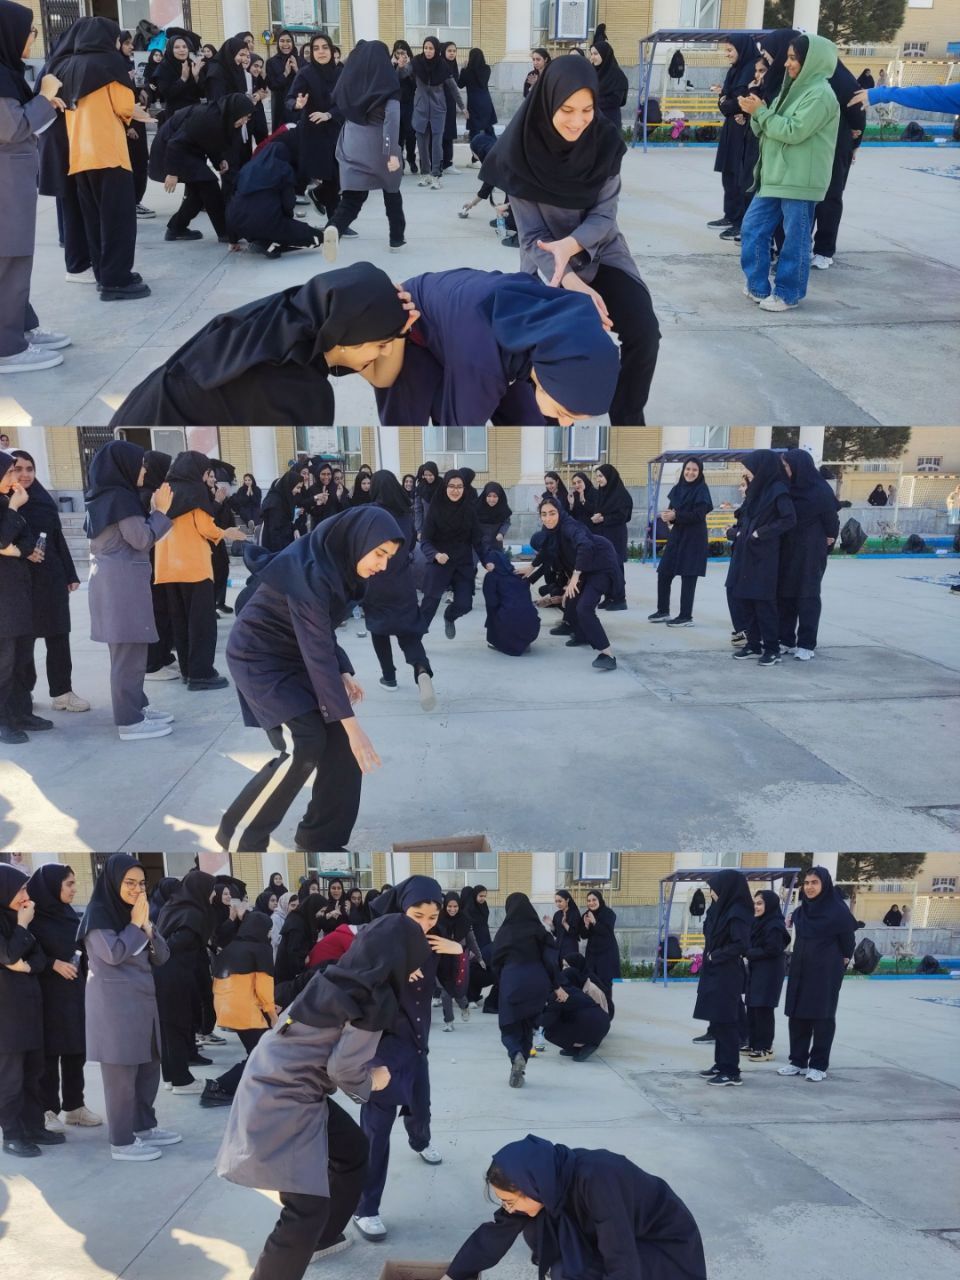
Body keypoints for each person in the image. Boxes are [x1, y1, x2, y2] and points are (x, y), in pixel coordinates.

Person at [217, 912, 431, 1278]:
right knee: (305, 1209)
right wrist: (373, 1081)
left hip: (274, 1075)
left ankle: (324, 1238)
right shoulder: (373, 999)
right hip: (287, 1094)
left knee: (353, 1150)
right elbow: (343, 1070)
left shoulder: (338, 975)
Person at [480, 55, 660, 425]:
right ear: (548, 101)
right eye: (566, 110)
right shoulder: (519, 150)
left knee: (644, 333)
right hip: (546, 260)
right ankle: (549, 419)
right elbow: (531, 236)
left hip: (601, 250)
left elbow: (605, 216)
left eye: (586, 110)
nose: (577, 121)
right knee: (552, 345)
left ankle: (628, 417)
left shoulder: (605, 142)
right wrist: (569, 278)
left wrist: (572, 245)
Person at [217, 507, 404, 854]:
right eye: (379, 554)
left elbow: (321, 631)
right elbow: (317, 653)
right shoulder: (312, 571)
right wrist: (353, 726)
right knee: (303, 744)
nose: (383, 565)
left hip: (297, 653)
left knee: (342, 749)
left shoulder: (341, 566)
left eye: (389, 558)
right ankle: (239, 837)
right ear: (359, 540)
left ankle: (320, 840)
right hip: (260, 657)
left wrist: (343, 669)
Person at [110, 264, 414, 426]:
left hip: (140, 409)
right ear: (345, 338)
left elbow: (382, 378)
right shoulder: (293, 390)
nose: (385, 352)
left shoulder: (302, 316)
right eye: (381, 344)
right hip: (156, 423)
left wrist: (399, 331)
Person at [353, 877, 460, 1241]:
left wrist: (457, 951)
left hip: (417, 1044)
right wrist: (394, 971)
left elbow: (459, 988)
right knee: (376, 1129)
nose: (425, 924)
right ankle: (365, 1207)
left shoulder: (433, 942)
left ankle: (420, 1141)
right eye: (417, 916)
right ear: (401, 910)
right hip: (381, 1047)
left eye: (433, 917)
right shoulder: (376, 938)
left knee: (420, 1106)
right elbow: (355, 986)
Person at [376, 268, 621, 426]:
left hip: (473, 328)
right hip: (413, 323)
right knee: (411, 425)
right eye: (566, 414)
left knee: (532, 424)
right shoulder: (483, 362)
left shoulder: (555, 326)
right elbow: (458, 427)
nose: (567, 423)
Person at [442, 1134, 707, 1280]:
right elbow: (495, 1233)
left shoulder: (599, 1179)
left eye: (509, 1201)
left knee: (569, 1271)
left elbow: (621, 1258)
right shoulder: (545, 1178)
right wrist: (452, 1277)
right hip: (616, 1234)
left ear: (530, 1188)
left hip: (658, 1245)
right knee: (539, 1229)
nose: (507, 1209)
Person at [78, 855, 181, 1160]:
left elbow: (162, 956)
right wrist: (136, 924)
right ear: (113, 882)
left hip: (143, 1004)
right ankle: (121, 1142)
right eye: (129, 883)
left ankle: (144, 1126)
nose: (137, 889)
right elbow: (114, 954)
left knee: (148, 1069)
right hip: (115, 1010)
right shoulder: (98, 916)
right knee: (121, 1078)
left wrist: (147, 927)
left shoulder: (136, 913)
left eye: (141, 884)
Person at [50, 16, 153, 300]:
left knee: (94, 220)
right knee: (118, 221)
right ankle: (116, 281)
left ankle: (103, 274)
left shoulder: (68, 65)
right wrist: (138, 113)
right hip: (109, 153)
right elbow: (123, 106)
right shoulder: (109, 63)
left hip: (80, 155)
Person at [738, 34, 840, 311]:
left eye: (794, 58)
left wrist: (761, 113)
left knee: (795, 240)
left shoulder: (820, 94)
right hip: (775, 176)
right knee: (752, 228)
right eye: (788, 57)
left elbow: (793, 131)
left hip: (800, 180)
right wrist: (756, 112)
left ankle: (788, 293)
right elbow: (767, 127)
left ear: (811, 61)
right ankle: (758, 286)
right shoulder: (791, 88)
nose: (787, 63)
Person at [84, 439, 177, 740]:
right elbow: (141, 539)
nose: (144, 471)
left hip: (113, 583)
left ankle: (137, 707)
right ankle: (130, 721)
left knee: (130, 652)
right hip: (122, 586)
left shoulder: (103, 496)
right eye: (141, 465)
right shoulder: (120, 499)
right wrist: (161, 512)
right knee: (128, 654)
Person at [0, 2, 73, 373]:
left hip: (12, 182)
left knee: (15, 257)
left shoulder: (7, 71)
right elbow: (11, 128)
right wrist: (44, 95)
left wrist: (43, 104)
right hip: (5, 186)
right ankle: (7, 347)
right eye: (30, 31)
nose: (32, 38)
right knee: (8, 258)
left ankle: (20, 328)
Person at [153, 450, 246, 689]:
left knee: (181, 623)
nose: (207, 477)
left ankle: (188, 671)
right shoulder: (196, 492)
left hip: (167, 568)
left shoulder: (163, 490)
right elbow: (206, 528)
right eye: (206, 472)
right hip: (194, 567)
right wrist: (227, 532)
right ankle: (201, 674)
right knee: (202, 624)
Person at [5, 451, 86, 716]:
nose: (25, 474)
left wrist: (70, 574)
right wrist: (24, 550)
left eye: (30, 469)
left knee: (58, 633)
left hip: (50, 577)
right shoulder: (7, 502)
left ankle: (62, 692)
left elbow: (56, 537)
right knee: (24, 641)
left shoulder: (41, 499)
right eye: (18, 469)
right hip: (21, 581)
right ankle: (22, 694)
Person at [25, 864, 102, 1129]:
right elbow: (25, 954)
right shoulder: (31, 918)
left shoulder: (69, 915)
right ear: (51, 886)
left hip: (73, 993)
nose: (74, 889)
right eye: (69, 884)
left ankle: (74, 1106)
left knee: (75, 1051)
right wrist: (52, 964)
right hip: (46, 995)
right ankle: (48, 1109)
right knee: (49, 1055)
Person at [0, 862, 60, 1157]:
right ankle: (12, 1135)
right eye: (20, 889)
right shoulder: (16, 922)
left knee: (34, 1073)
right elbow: (9, 953)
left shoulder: (18, 919)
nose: (26, 896)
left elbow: (38, 959)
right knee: (10, 1080)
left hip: (30, 1011)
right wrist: (22, 927)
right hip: (6, 1018)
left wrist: (23, 966)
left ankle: (34, 1127)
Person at [518, 497, 619, 671]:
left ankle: (608, 654)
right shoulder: (550, 530)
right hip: (584, 566)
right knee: (571, 600)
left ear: (559, 512)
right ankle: (581, 634)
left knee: (584, 608)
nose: (548, 518)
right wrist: (531, 567)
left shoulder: (570, 526)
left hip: (600, 564)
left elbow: (585, 545)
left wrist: (574, 577)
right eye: (544, 514)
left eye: (552, 513)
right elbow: (546, 550)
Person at [325, 39, 405, 254]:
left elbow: (338, 106)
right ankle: (396, 239)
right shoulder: (388, 85)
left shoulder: (349, 84)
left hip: (351, 144)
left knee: (352, 198)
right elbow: (392, 121)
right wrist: (391, 153)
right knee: (392, 192)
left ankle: (334, 228)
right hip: (379, 148)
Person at [365, 469, 435, 709]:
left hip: (376, 582)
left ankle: (389, 677)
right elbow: (411, 543)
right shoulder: (405, 514)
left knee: (379, 629)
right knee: (408, 632)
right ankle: (421, 669)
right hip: (403, 582)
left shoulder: (371, 513)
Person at [779, 866, 857, 1081]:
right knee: (797, 1015)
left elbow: (848, 941)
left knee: (822, 1016)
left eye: (814, 882)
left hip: (825, 971)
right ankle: (797, 1061)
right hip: (800, 968)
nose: (809, 887)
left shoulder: (838, 911)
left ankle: (818, 1065)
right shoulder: (802, 911)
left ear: (825, 884)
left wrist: (842, 959)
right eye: (806, 883)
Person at [150, 93, 252, 243]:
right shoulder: (206, 118)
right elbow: (175, 143)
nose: (244, 121)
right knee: (208, 186)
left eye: (248, 117)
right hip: (170, 149)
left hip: (188, 150)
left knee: (199, 193)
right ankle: (224, 232)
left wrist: (218, 161)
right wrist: (172, 173)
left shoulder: (222, 118)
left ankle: (176, 228)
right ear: (234, 111)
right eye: (243, 117)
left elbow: (208, 141)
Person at [200, 909, 277, 1107]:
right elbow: (264, 987)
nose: (270, 933)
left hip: (226, 1007)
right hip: (246, 1010)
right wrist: (272, 1015)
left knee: (257, 1052)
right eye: (269, 929)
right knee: (263, 1054)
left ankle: (248, 1086)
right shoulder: (262, 949)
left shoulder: (231, 947)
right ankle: (219, 1086)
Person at [727, 450, 797, 666]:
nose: (747, 472)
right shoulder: (756, 490)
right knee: (746, 600)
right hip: (746, 553)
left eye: (750, 468)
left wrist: (761, 533)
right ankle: (753, 644)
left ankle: (772, 649)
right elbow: (745, 517)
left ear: (762, 468)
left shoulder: (778, 490)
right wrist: (739, 532)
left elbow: (789, 519)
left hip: (765, 555)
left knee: (764, 602)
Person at [152, 869, 216, 1096]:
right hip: (176, 977)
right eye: (211, 891)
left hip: (162, 975)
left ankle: (171, 1076)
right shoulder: (193, 914)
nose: (213, 895)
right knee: (178, 1027)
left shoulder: (173, 906)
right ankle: (181, 1080)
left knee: (168, 1028)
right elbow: (178, 944)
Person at [491, 893, 564, 1088]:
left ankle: (516, 1054)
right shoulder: (538, 930)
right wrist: (555, 985)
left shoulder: (504, 932)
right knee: (527, 1027)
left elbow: (495, 961)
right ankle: (519, 1069)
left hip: (512, 980)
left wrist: (503, 980)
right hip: (537, 982)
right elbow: (551, 959)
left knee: (509, 1026)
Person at [777, 448, 839, 660]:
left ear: (799, 467)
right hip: (788, 549)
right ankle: (786, 639)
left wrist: (829, 537)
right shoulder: (788, 488)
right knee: (786, 595)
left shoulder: (820, 490)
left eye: (787, 466)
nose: (785, 469)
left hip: (810, 552)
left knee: (807, 596)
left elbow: (832, 521)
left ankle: (806, 643)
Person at [692, 870, 752, 1087]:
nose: (711, 893)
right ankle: (720, 1064)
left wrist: (715, 955)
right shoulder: (719, 909)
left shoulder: (738, 913)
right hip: (714, 971)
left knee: (727, 1021)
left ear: (726, 889)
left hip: (727, 973)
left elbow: (741, 944)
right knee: (717, 1020)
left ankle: (731, 1071)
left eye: (714, 889)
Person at [419, 470, 494, 639]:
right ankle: (415, 639)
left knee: (464, 604)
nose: (455, 490)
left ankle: (449, 616)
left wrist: (486, 560)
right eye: (451, 486)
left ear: (464, 488)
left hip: (462, 564)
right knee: (429, 605)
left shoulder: (469, 510)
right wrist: (436, 555)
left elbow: (478, 540)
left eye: (459, 486)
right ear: (445, 487)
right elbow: (425, 541)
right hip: (439, 563)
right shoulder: (435, 510)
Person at [227, 128, 322, 255]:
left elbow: (232, 199)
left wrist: (232, 240)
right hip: (266, 221)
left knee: (260, 226)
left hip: (238, 222)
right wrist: (287, 223)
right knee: (315, 237)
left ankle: (263, 242)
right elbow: (288, 203)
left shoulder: (247, 168)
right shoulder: (283, 169)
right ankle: (271, 244)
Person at [811, 58, 865, 270]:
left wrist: (853, 144)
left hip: (836, 147)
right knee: (805, 198)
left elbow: (858, 118)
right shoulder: (807, 78)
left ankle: (824, 250)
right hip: (808, 146)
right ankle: (801, 245)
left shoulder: (842, 82)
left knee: (830, 198)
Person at [649, 456, 713, 627]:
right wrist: (667, 516)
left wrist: (676, 516)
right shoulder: (678, 488)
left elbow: (699, 515)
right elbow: (672, 510)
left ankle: (686, 616)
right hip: (677, 536)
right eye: (688, 469)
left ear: (700, 472)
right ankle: (663, 611)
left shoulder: (702, 490)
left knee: (688, 576)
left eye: (694, 470)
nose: (690, 473)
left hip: (694, 538)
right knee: (664, 572)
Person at [287, 31, 342, 220]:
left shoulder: (340, 72)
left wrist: (329, 114)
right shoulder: (306, 73)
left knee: (338, 176)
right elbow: (290, 98)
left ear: (332, 50)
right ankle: (335, 223)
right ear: (311, 52)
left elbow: (346, 102)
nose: (321, 52)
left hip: (335, 130)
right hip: (314, 132)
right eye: (316, 48)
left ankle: (319, 197)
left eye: (325, 47)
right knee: (331, 176)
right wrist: (297, 104)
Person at [711, 36, 758, 239]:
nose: (727, 54)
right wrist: (726, 102)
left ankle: (741, 221)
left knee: (740, 175)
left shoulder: (751, 69)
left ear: (742, 49)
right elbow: (725, 103)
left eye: (730, 50)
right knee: (729, 172)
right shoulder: (735, 70)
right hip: (732, 126)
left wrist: (727, 102)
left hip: (744, 128)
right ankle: (730, 215)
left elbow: (738, 102)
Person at [406, 35, 464, 188]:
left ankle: (436, 175)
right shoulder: (416, 63)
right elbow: (403, 74)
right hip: (420, 110)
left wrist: (463, 107)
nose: (428, 51)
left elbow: (453, 88)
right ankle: (425, 174)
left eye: (431, 48)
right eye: (426, 48)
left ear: (436, 49)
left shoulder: (442, 66)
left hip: (438, 110)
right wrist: (399, 66)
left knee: (437, 144)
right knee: (422, 144)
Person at [744, 890, 790, 1062]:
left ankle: (765, 1048)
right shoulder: (759, 922)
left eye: (760, 903)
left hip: (769, 972)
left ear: (769, 905)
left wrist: (748, 952)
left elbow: (773, 949)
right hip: (757, 969)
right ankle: (753, 1043)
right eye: (755, 903)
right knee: (752, 1006)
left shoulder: (774, 925)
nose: (756, 907)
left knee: (763, 1008)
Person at [541, 955, 611, 1059]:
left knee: (549, 1031)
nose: (564, 969)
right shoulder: (575, 989)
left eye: (567, 966)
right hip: (597, 1023)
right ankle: (575, 1047)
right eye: (563, 966)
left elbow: (547, 1020)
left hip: (597, 1026)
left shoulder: (590, 990)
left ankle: (588, 1044)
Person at [436, 891, 483, 1030]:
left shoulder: (465, 921)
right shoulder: (438, 921)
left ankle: (464, 1006)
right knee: (445, 993)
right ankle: (449, 1022)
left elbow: (472, 941)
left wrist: (479, 957)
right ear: (445, 906)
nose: (452, 909)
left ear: (459, 906)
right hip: (442, 961)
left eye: (455, 906)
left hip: (459, 961)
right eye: (449, 906)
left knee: (458, 992)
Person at [482, 549, 541, 657]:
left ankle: (505, 643)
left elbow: (491, 603)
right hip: (532, 626)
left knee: (499, 615)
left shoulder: (491, 577)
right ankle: (523, 641)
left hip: (508, 622)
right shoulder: (519, 574)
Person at [590, 464, 632, 610]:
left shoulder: (621, 495)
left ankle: (620, 599)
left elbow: (623, 516)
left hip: (616, 535)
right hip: (603, 534)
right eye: (597, 476)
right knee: (605, 566)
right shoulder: (602, 493)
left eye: (601, 476)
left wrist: (603, 518)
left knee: (616, 566)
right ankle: (609, 596)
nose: (598, 479)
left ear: (610, 476)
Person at [578, 889, 621, 1015]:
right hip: (592, 953)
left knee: (605, 983)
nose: (591, 903)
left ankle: (607, 1013)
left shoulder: (609, 913)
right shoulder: (586, 914)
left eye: (594, 900)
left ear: (600, 900)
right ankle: (595, 1011)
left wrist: (595, 922)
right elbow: (583, 935)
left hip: (607, 953)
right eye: (589, 901)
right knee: (591, 982)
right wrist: (586, 925)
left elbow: (607, 933)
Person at [150, 33, 201, 123]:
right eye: (177, 47)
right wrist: (183, 79)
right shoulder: (164, 68)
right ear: (170, 49)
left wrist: (196, 77)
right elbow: (167, 94)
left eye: (184, 47)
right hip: (176, 116)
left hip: (194, 114)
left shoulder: (191, 64)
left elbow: (201, 93)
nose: (182, 50)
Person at [589, 24, 628, 129]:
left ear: (604, 54)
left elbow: (616, 100)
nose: (592, 57)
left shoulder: (617, 76)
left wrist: (593, 102)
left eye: (595, 54)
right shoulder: (592, 72)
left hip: (610, 120)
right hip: (592, 120)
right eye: (591, 54)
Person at [460, 47, 496, 149]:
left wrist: (463, 69)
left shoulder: (467, 71)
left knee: (474, 130)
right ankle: (495, 150)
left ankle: (475, 154)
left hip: (474, 102)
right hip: (486, 101)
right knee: (488, 127)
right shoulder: (487, 69)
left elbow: (460, 84)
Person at [265, 28, 298, 127]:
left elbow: (307, 82)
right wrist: (285, 73)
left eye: (288, 41)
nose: (285, 44)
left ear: (293, 43)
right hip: (279, 106)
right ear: (278, 43)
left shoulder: (300, 60)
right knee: (280, 133)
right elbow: (272, 85)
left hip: (297, 106)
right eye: (282, 41)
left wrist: (297, 69)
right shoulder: (271, 62)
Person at [550, 890, 583, 964]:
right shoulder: (557, 914)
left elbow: (575, 933)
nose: (558, 904)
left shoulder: (575, 914)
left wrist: (564, 923)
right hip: (558, 947)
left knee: (569, 967)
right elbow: (556, 934)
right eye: (556, 901)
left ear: (567, 900)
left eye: (560, 901)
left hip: (570, 947)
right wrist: (551, 925)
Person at [413, 461, 439, 536]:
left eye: (430, 475)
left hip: (441, 526)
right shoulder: (420, 487)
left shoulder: (442, 485)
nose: (428, 477)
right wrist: (419, 530)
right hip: (427, 527)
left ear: (435, 473)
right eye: (426, 475)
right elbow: (418, 510)